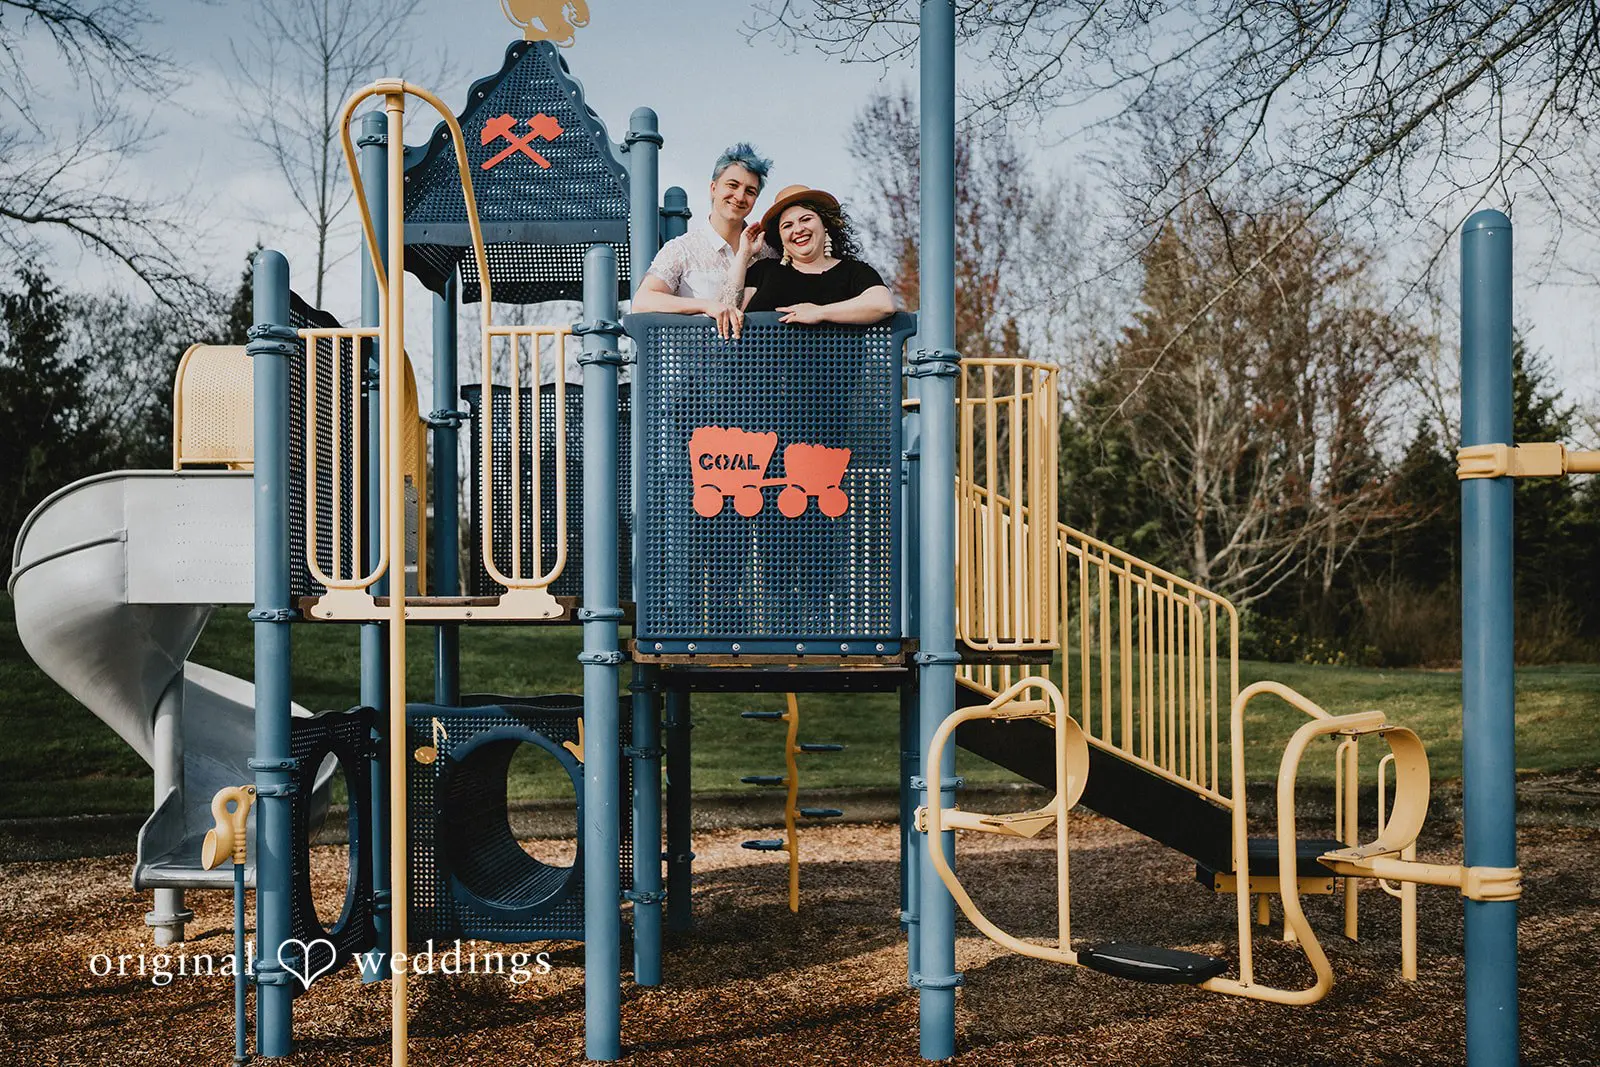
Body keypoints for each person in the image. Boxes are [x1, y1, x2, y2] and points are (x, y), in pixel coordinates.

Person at [632, 142, 776, 337]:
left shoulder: (767, 251)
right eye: (732, 185)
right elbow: (642, 302)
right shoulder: (681, 249)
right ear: (713, 188)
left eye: (750, 191)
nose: (740, 196)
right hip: (696, 365)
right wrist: (706, 306)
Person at [725, 184, 896, 325]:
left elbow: (883, 305)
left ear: (825, 224)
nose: (798, 230)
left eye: (806, 219)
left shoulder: (854, 271)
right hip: (759, 366)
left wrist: (818, 312)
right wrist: (743, 254)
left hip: (831, 367)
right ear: (781, 238)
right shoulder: (763, 270)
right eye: (787, 226)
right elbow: (727, 309)